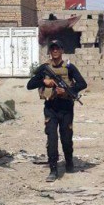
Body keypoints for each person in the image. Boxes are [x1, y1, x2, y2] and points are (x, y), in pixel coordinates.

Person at [27, 40, 88, 182]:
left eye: (57, 48)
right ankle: (53, 169)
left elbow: (82, 83)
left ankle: (69, 161)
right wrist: (43, 81)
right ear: (50, 51)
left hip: (66, 107)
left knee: (66, 139)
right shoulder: (44, 68)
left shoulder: (69, 67)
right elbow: (30, 85)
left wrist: (67, 91)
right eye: (52, 48)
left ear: (62, 50)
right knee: (52, 139)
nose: (55, 51)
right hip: (51, 108)